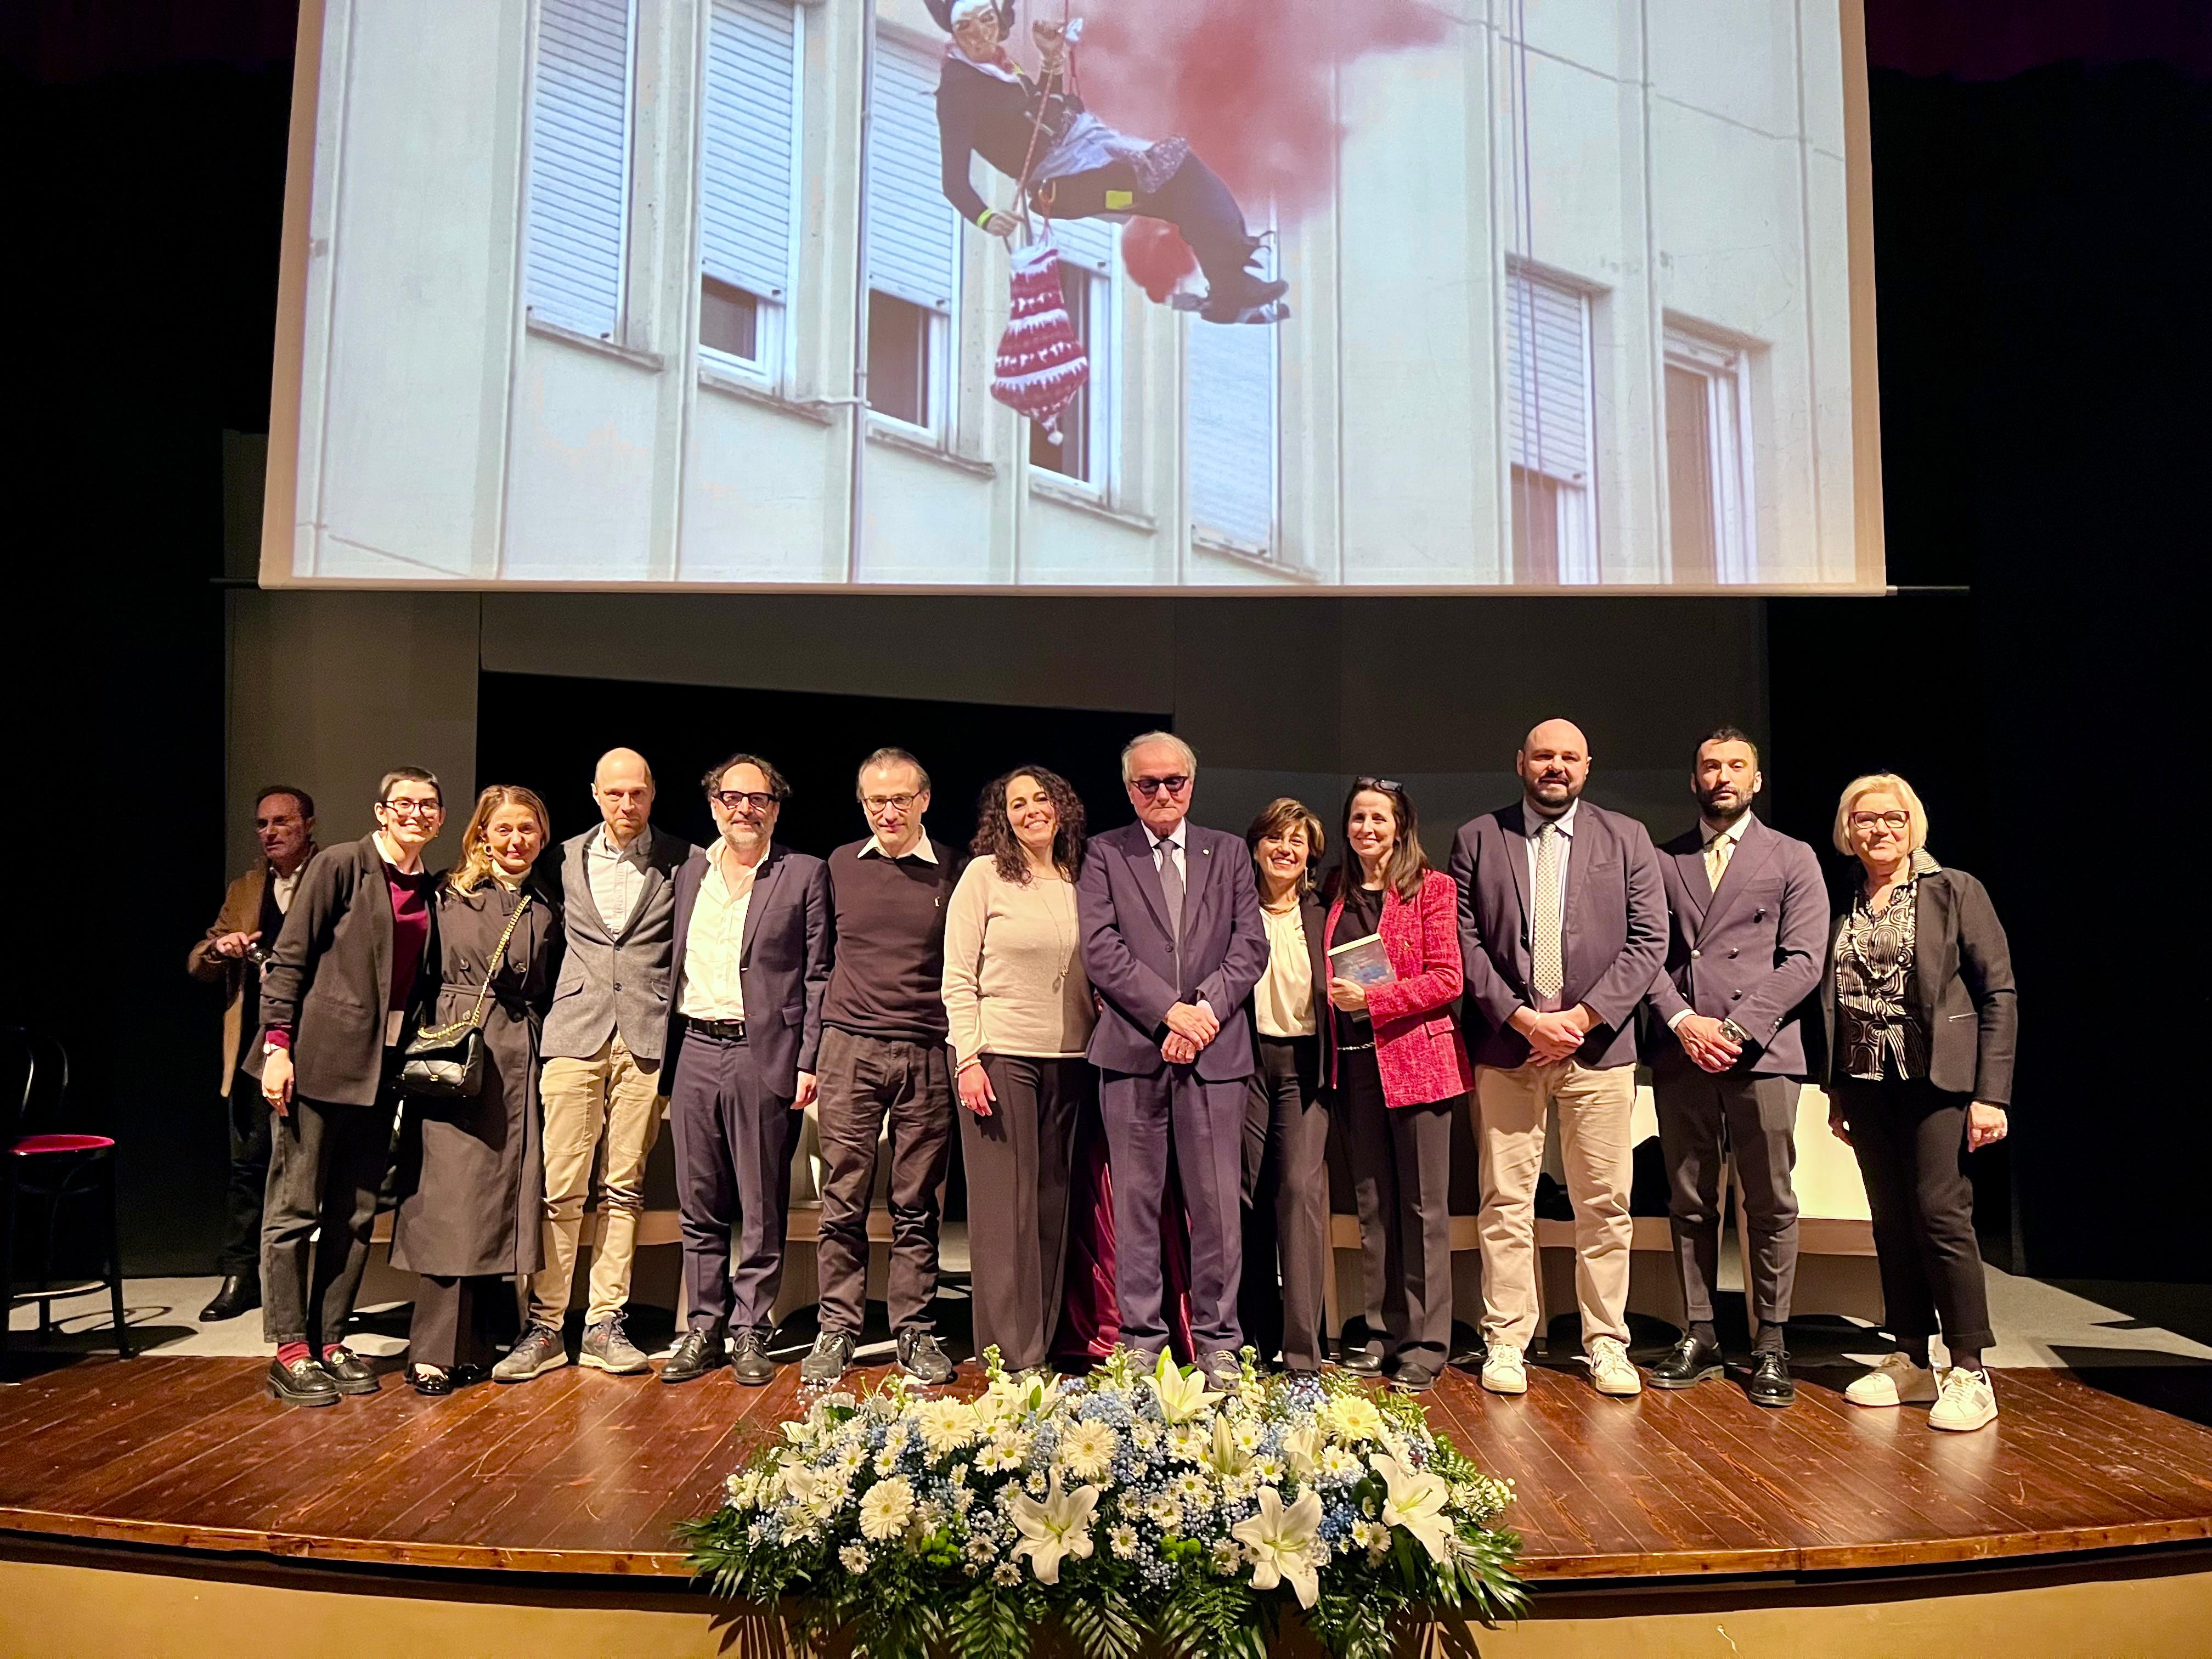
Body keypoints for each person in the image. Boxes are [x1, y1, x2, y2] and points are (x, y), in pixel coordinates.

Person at [1450, 719, 1666, 1400]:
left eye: (1569, 757)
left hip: (1597, 1050)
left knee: (1604, 1203)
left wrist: (1582, 1017)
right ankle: (1507, 1341)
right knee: (1505, 1201)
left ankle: (1606, 1344)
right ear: (1521, 762)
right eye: (1544, 755)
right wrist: (1521, 1018)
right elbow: (1464, 941)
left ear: (1587, 767)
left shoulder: (1626, 837)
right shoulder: (1478, 837)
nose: (1556, 766)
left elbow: (1649, 939)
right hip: (1507, 1047)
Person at [1823, 774, 2015, 1434]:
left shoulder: (1953, 890)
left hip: (1938, 1081)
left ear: (1914, 825)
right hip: (1865, 1081)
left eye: (1893, 818)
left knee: (1940, 1215)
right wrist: (1836, 1091)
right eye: (1865, 819)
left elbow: (1998, 994)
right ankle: (1909, 1356)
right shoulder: (1842, 898)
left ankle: (1970, 1370)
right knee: (1891, 1221)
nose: (1880, 829)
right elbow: (1834, 1000)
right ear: (1848, 830)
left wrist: (1991, 1095)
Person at [249, 768, 445, 1407]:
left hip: (379, 1071)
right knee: (294, 1211)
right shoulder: (341, 865)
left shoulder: (429, 888)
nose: (416, 813)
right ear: (381, 811)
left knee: (355, 1214)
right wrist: (278, 1047)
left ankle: (331, 1339)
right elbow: (290, 958)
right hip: (315, 1063)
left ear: (441, 818)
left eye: (429, 805)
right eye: (404, 803)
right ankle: (290, 1350)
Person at [1078, 732, 1267, 1389]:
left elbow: (1250, 946)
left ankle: (1219, 1342)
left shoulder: (1230, 851)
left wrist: (1203, 1011)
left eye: (1174, 782)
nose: (1162, 793)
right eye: (1147, 783)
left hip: (1215, 1052)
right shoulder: (1104, 853)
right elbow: (1101, 950)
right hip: (1134, 1053)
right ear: (1129, 789)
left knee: (1217, 1208)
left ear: (1192, 784)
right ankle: (1140, 1340)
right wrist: (1168, 1013)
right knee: (1136, 1205)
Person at [1644, 730, 1827, 1407]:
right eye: (1710, 766)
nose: (1723, 776)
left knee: (1770, 1200)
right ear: (1694, 780)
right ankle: (1700, 1333)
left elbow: (1804, 960)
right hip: (1684, 1050)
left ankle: (1771, 1342)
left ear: (1757, 780)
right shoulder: (1663, 859)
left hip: (1764, 1052)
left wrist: (1738, 1028)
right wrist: (1685, 1022)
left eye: (1736, 766)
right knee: (1690, 1199)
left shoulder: (1792, 856)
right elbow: (1645, 954)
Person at [497, 749, 692, 1385]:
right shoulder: (562, 857)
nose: (626, 804)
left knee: (623, 1187)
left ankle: (605, 1323)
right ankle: (546, 1326)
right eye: (614, 793)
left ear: (653, 793)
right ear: (595, 794)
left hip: (644, 1036)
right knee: (561, 1187)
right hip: (574, 1032)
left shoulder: (684, 859)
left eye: (636, 792)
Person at [928, 0, 1288, 323]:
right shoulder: (958, 90)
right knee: (1183, 174)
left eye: (987, 20)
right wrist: (987, 218)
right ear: (955, 34)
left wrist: (1051, 60)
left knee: (1184, 193)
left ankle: (1230, 294)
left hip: (1088, 152)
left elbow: (1041, 112)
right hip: (1074, 182)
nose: (980, 34)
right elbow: (953, 182)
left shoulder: (997, 66)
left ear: (1000, 19)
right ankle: (1231, 292)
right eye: (966, 27)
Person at [659, 755, 831, 1386]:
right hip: (696, 1049)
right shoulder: (688, 874)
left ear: (775, 809)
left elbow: (819, 974)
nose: (745, 810)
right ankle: (704, 1327)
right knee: (699, 1200)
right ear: (714, 806)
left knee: (761, 1204)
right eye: (733, 798)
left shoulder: (803, 872)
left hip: (764, 1055)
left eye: (759, 799)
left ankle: (751, 1327)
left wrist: (809, 1058)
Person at [801, 749, 964, 1388]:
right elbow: (816, 962)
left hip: (927, 1048)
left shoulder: (955, 868)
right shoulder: (841, 865)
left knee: (917, 1202)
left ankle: (913, 1330)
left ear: (925, 800)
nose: (888, 811)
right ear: (863, 804)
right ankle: (838, 1328)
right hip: (850, 1047)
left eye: (900, 799)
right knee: (843, 1197)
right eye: (876, 801)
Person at [392, 786, 561, 1396]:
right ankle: (433, 1351)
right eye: (504, 828)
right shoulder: (448, 894)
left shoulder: (545, 904)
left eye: (528, 829)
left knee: (495, 1206)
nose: (516, 840)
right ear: (482, 835)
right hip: (457, 1058)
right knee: (452, 1205)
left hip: (517, 1063)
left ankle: (478, 1345)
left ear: (542, 836)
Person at [943, 766, 1097, 1376]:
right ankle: (1011, 1356)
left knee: (1053, 1208)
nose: (1032, 810)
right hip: (1000, 1056)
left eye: (1042, 799)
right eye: (1017, 803)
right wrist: (969, 1057)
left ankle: (1045, 1343)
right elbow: (957, 976)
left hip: (1072, 1060)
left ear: (1062, 807)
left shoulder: (1083, 879)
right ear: (1002, 818)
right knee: (1005, 1213)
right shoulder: (984, 875)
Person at [1321, 780, 1475, 1393]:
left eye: (1379, 818)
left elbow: (1448, 979)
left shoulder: (1432, 889)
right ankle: (1381, 1334)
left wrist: (1374, 1000)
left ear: (1401, 826)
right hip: (1354, 1068)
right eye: (1358, 817)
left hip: (1419, 1065)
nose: (1367, 828)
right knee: (1374, 1207)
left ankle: (1426, 1343)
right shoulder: (1333, 889)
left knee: (1422, 1208)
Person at [187, 785, 318, 1323]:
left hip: (317, 1043)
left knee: (311, 1169)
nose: (270, 832)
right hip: (253, 1048)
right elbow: (199, 959)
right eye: (263, 824)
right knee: (249, 1167)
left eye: (282, 822)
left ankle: (309, 1287)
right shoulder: (246, 888)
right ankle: (241, 1275)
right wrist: (222, 949)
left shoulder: (333, 877)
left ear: (308, 825)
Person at [1238, 798, 1332, 1376]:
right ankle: (1249, 1343)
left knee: (1298, 1194)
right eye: (1275, 837)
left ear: (1310, 855)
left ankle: (1302, 1354)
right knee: (1243, 1197)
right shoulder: (1233, 909)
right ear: (1256, 847)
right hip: (1243, 1064)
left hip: (1305, 1067)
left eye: (1298, 840)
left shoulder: (1326, 914)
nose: (1285, 848)